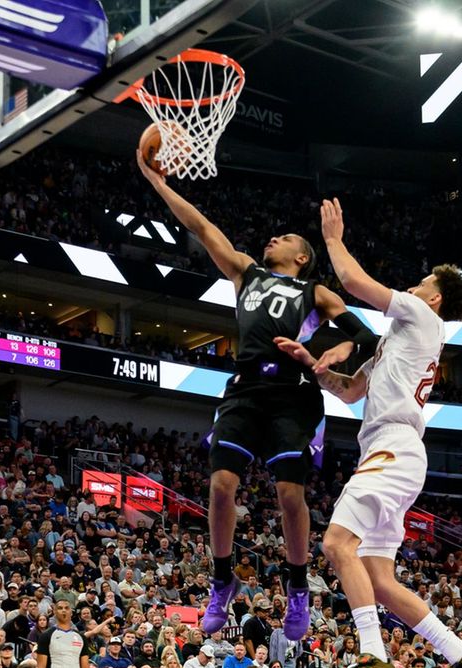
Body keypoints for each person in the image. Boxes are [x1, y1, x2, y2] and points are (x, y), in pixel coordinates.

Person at [137, 151, 375, 642]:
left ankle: (297, 587)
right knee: (221, 485)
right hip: (245, 389)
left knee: (290, 493)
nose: (273, 238)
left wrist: (331, 355)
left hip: (293, 394)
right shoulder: (247, 272)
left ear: (302, 257)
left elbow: (362, 337)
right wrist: (157, 182)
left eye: (285, 238)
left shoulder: (316, 292)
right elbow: (202, 227)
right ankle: (222, 580)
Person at [275, 198, 462, 668]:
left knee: (334, 545)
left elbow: (353, 282)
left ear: (434, 300)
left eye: (422, 284)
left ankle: (374, 658)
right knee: (377, 578)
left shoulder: (420, 315)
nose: (413, 288)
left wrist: (332, 239)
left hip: (392, 450)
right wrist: (313, 364)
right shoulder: (396, 341)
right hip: (395, 453)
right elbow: (350, 392)